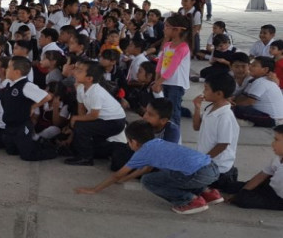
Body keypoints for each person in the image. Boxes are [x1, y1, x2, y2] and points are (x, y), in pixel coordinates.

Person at [75, 120, 222, 215]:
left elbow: (117, 175)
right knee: (171, 172)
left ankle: (190, 201)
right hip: (212, 168)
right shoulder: (157, 143)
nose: (128, 145)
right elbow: (146, 168)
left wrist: (94, 190)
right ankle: (209, 193)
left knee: (148, 181)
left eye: (128, 142)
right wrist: (125, 180)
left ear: (133, 142)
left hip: (199, 174)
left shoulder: (143, 152)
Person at [66, 60, 127, 166]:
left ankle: (85, 158)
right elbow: (81, 109)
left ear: (89, 79)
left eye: (79, 71)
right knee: (80, 126)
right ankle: (99, 151)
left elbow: (94, 115)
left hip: (115, 122)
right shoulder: (81, 88)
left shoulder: (96, 92)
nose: (75, 72)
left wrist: (75, 119)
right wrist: (77, 123)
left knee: (81, 126)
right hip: (103, 120)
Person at [192, 72, 240, 191]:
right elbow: (196, 126)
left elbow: (223, 144)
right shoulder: (210, 108)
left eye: (206, 89)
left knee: (183, 183)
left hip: (217, 167)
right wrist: (197, 108)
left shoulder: (225, 116)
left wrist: (204, 160)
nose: (203, 92)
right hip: (206, 161)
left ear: (219, 94)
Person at [228, 125, 283, 211]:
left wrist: (240, 196)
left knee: (243, 200)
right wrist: (244, 191)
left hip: (279, 199)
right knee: (233, 186)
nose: (273, 143)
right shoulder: (279, 158)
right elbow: (262, 175)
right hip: (270, 187)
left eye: (277, 140)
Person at [233, 57, 283, 127]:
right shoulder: (254, 81)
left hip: (273, 119)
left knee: (237, 109)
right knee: (236, 106)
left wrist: (232, 104)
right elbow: (243, 96)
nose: (250, 67)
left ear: (265, 69)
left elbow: (249, 102)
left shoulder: (261, 81)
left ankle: (248, 123)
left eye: (254, 66)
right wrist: (233, 101)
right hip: (269, 116)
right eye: (250, 64)